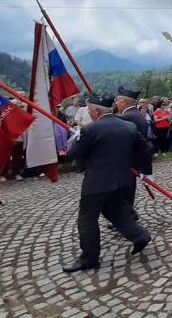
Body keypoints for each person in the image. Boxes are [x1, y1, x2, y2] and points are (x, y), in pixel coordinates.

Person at [62, 93, 152, 272]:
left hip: (97, 181)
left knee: (87, 218)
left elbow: (72, 154)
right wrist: (145, 171)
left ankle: (89, 257)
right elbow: (146, 148)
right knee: (115, 210)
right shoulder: (128, 126)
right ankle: (140, 235)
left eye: (89, 110)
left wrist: (76, 138)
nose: (89, 113)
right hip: (123, 178)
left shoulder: (90, 130)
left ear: (96, 110)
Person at [115, 86, 150, 220]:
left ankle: (127, 217)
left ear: (125, 102)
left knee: (123, 191)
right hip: (134, 159)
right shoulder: (137, 115)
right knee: (128, 190)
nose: (116, 103)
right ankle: (128, 215)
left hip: (126, 160)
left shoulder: (126, 117)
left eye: (118, 101)